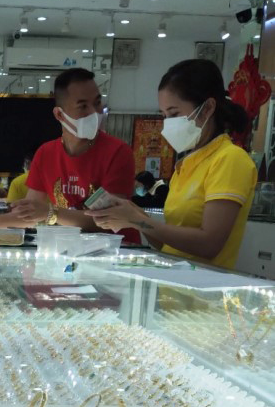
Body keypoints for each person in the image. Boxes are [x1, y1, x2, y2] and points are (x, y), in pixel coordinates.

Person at [86, 59, 256, 269]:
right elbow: (168, 245)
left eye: (174, 114)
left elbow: (209, 244)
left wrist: (137, 221)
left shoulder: (230, 159)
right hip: (174, 283)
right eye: (164, 115)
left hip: (203, 288)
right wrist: (135, 214)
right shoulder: (186, 165)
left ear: (207, 108)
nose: (168, 123)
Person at [0, 68, 139, 243]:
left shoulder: (118, 152)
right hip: (73, 249)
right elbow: (29, 215)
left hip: (120, 251)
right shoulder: (46, 154)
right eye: (83, 106)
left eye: (97, 103)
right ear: (59, 114)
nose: (94, 112)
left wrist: (51, 213)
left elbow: (111, 220)